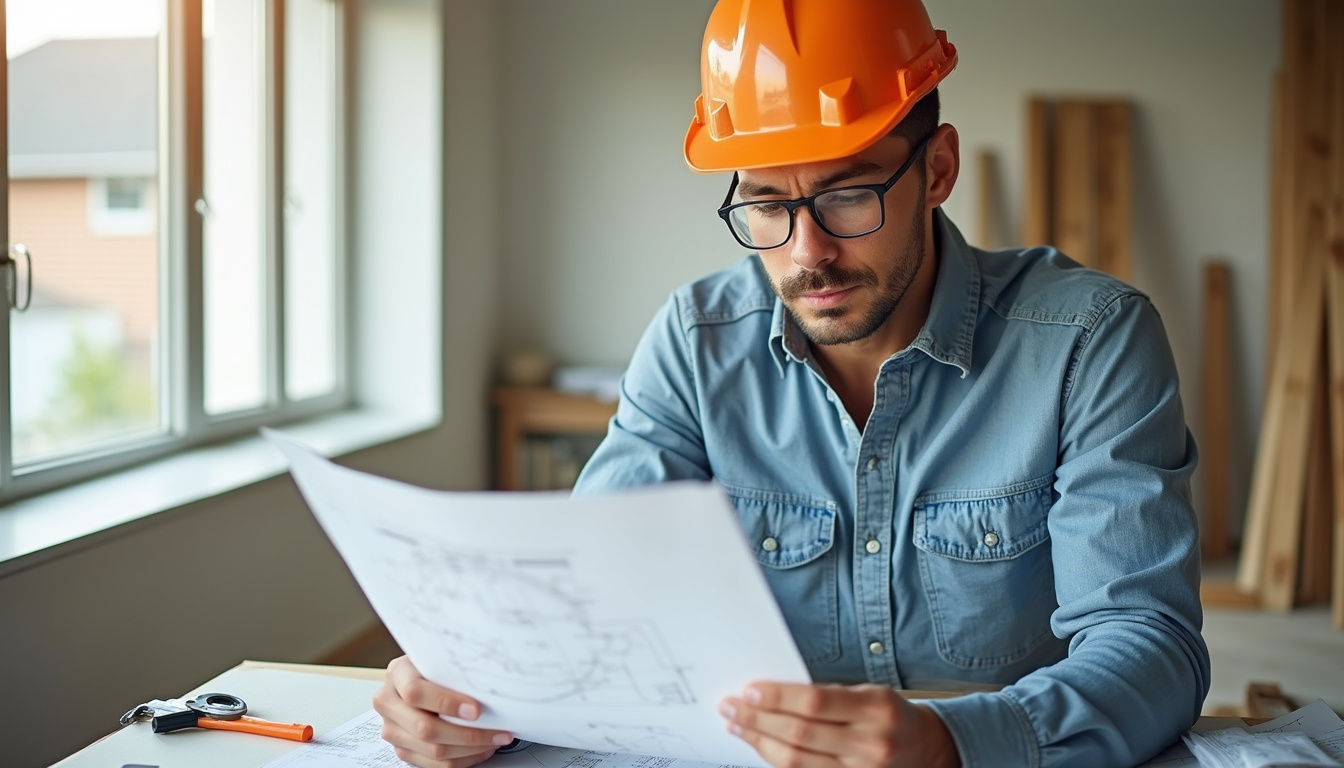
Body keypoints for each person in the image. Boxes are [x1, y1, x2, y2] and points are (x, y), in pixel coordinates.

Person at [373, 1, 1210, 766]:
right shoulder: (695, 342)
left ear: (939, 169)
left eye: (849, 195)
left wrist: (956, 743)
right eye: (766, 204)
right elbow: (592, 597)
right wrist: (468, 686)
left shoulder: (1090, 340)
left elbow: (1150, 641)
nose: (807, 252)